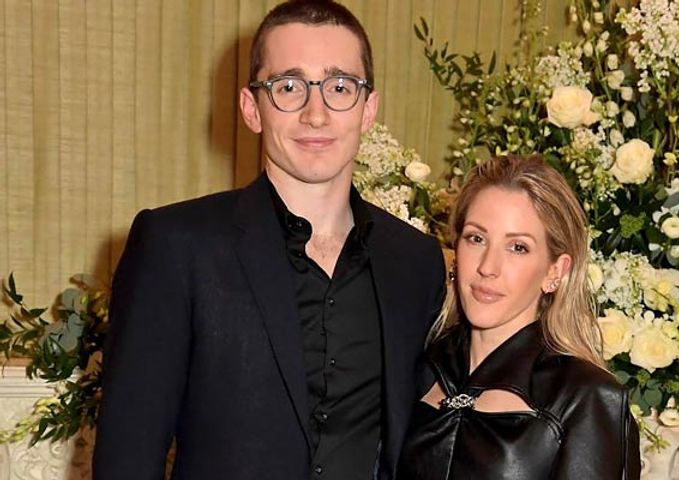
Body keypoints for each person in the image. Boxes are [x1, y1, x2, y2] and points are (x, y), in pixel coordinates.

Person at [92, 1, 446, 479]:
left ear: (369, 109)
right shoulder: (177, 246)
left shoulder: (416, 261)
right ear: (251, 108)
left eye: (340, 87)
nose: (316, 114)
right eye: (289, 87)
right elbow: (127, 457)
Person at [398, 155, 641, 479]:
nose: (488, 267)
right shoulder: (415, 363)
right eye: (476, 238)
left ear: (555, 271)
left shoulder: (587, 398)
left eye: (518, 247)